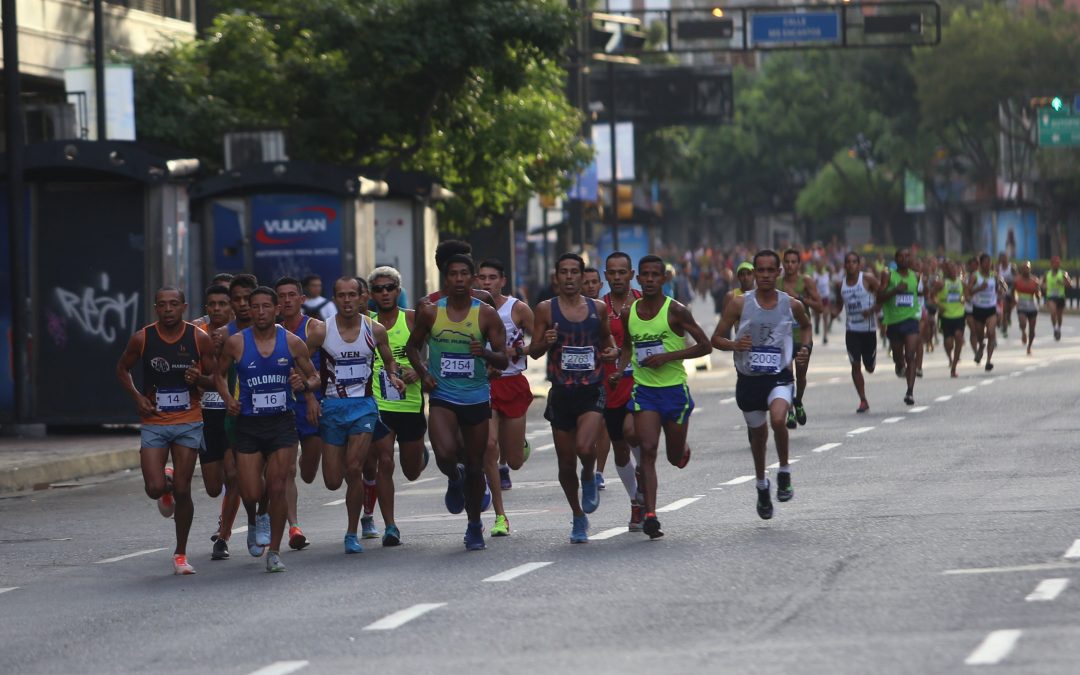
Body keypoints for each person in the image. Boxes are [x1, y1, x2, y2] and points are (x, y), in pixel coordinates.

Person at [406, 254, 508, 551]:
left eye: (465, 274)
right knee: (445, 452)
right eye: (454, 274)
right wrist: (424, 373)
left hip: (476, 396)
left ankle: (474, 525)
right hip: (443, 395)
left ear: (473, 278)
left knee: (477, 466)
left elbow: (503, 358)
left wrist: (485, 354)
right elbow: (413, 347)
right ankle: (453, 476)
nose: (460, 279)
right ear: (446, 279)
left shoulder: (486, 314)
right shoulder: (430, 313)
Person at [216, 286, 321, 573]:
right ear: (249, 310)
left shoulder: (292, 342)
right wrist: (228, 399)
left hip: (281, 423)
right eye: (255, 306)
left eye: (266, 306)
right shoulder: (236, 342)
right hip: (248, 424)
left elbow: (314, 376)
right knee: (250, 491)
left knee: (276, 486)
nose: (260, 312)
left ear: (276, 310)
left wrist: (305, 385)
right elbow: (219, 374)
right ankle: (256, 516)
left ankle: (273, 551)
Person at [116, 287, 216, 575]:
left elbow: (214, 379)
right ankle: (165, 483)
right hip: (155, 421)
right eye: (163, 305)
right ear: (156, 308)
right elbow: (122, 369)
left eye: (174, 304)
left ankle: (180, 553)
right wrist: (137, 397)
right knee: (154, 488)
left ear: (184, 307)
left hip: (188, 419)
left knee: (185, 489)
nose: (168, 309)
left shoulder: (199, 338)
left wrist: (200, 378)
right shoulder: (143, 338)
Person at [610, 255, 711, 539]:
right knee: (648, 449)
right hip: (645, 393)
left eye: (656, 275)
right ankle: (651, 515)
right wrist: (620, 369)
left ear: (664, 279)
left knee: (673, 457)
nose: (651, 279)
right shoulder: (629, 313)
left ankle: (682, 450)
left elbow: (705, 346)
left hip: (674, 391)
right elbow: (628, 347)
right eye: (646, 275)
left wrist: (668, 356)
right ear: (638, 279)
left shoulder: (676, 311)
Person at [302, 277, 405, 554]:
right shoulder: (322, 332)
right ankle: (360, 513)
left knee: (355, 467)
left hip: (363, 406)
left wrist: (394, 376)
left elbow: (388, 358)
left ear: (362, 298)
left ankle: (352, 532)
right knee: (333, 480)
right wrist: (309, 394)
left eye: (352, 295)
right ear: (334, 298)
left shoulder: (375, 329)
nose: (347, 300)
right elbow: (300, 362)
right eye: (341, 295)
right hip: (333, 409)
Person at [711, 250, 812, 520]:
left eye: (771, 271)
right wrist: (734, 344)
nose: (766, 276)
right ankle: (761, 485)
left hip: (778, 374)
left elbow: (806, 326)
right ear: (754, 273)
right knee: (758, 437)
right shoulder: (738, 304)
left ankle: (784, 472)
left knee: (779, 419)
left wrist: (804, 349)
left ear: (779, 272)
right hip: (748, 378)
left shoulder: (791, 304)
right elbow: (715, 338)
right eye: (761, 271)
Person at [528, 253, 619, 543]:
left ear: (582, 277)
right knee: (566, 464)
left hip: (591, 389)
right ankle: (578, 516)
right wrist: (546, 341)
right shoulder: (545, 310)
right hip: (561, 393)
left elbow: (607, 339)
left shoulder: (598, 308)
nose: (569, 277)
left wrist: (612, 352)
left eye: (574, 272)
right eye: (563, 272)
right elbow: (534, 351)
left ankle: (590, 475)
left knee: (584, 446)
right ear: (557, 277)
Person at [368, 266, 428, 546]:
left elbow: (436, 351)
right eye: (378, 289)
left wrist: (420, 370)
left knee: (411, 471)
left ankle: (421, 455)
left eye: (389, 287)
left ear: (398, 290)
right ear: (371, 294)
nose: (384, 293)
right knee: (385, 461)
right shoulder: (366, 322)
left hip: (411, 402)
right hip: (380, 402)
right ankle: (390, 526)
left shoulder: (413, 319)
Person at [477, 258, 535, 537]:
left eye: (492, 277)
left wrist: (517, 352)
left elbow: (541, 344)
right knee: (488, 446)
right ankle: (501, 516)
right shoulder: (472, 309)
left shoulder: (518, 309)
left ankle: (519, 443)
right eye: (482, 277)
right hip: (484, 385)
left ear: (502, 281)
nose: (486, 282)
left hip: (512, 383)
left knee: (513, 460)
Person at [213, 274, 265, 559]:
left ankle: (264, 516)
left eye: (249, 299)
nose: (244, 305)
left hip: (271, 415)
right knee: (236, 476)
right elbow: (217, 374)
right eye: (238, 300)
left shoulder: (273, 331)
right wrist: (227, 398)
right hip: (237, 416)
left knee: (268, 478)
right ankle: (247, 525)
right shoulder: (224, 336)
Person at [274, 276, 324, 551]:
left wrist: (311, 395)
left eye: (292, 295)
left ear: (302, 300)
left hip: (312, 402)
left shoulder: (315, 329)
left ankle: (310, 455)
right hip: (282, 405)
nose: (287, 300)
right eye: (281, 296)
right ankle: (294, 527)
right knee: (288, 470)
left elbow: (322, 368)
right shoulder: (270, 330)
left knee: (308, 472)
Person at [601, 252, 645, 531]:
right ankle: (635, 499)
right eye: (612, 273)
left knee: (634, 433)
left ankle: (644, 484)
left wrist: (625, 353)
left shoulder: (644, 303)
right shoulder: (597, 307)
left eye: (622, 272)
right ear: (606, 276)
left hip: (640, 382)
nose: (617, 278)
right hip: (610, 385)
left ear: (630, 274)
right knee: (619, 450)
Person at [195, 284, 232, 506]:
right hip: (206, 416)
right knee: (212, 487)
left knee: (234, 475)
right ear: (206, 307)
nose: (217, 309)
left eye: (222, 304)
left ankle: (226, 527)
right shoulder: (196, 334)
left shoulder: (240, 334)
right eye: (212, 305)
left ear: (232, 307)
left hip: (232, 415)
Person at [778, 249, 822, 427]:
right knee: (787, 374)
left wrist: (799, 298)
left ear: (799, 264)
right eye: (786, 262)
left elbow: (819, 307)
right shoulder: (777, 283)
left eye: (793, 262)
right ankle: (789, 412)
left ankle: (798, 401)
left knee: (801, 375)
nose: (789, 265)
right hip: (784, 337)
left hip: (803, 335)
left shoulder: (806, 281)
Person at [833, 253, 879, 413]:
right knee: (855, 364)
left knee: (870, 367)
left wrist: (872, 310)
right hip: (852, 330)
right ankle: (863, 399)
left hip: (869, 330)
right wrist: (832, 313)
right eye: (848, 262)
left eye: (854, 262)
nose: (851, 265)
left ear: (859, 265)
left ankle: (871, 362)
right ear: (844, 265)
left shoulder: (868, 279)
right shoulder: (841, 284)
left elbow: (882, 297)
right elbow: (839, 305)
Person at [580, 266, 610, 490]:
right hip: (574, 380)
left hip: (605, 376)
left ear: (601, 285)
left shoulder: (605, 310)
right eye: (586, 282)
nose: (590, 286)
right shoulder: (571, 311)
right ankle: (587, 467)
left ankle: (598, 472)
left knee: (603, 426)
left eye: (594, 282)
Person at [967, 253, 1002, 372]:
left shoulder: (994, 275)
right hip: (978, 309)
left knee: (991, 333)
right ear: (981, 264)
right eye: (985, 262)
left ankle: (988, 361)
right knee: (980, 336)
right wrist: (979, 288)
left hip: (991, 308)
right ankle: (981, 346)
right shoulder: (975, 276)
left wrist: (1002, 288)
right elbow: (968, 292)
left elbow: (1003, 287)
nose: (988, 264)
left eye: (989, 262)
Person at [932, 260, 967, 378]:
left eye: (954, 268)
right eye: (950, 269)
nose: (953, 271)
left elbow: (966, 293)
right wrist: (938, 305)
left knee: (958, 338)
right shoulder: (941, 283)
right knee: (948, 343)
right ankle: (950, 358)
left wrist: (963, 298)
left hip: (959, 315)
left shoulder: (961, 282)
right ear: (945, 271)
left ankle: (954, 367)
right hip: (946, 316)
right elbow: (931, 297)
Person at [1014, 261, 1041, 355]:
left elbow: (1039, 296)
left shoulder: (1035, 281)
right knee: (1022, 323)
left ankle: (1029, 346)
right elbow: (1011, 292)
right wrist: (1014, 300)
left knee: (1032, 330)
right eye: (1025, 268)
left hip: (1032, 306)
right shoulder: (1017, 280)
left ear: (1030, 269)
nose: (1026, 269)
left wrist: (1037, 293)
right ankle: (1023, 332)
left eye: (1028, 268)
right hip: (1021, 305)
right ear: (1022, 269)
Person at [1043, 256, 1070, 341]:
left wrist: (1063, 282)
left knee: (1059, 315)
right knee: (1053, 311)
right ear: (1051, 264)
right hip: (1051, 296)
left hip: (1060, 297)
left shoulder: (1063, 273)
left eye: (1058, 263)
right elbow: (1042, 284)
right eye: (1055, 263)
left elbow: (1069, 284)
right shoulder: (1047, 274)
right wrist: (1044, 286)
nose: (1057, 265)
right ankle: (1055, 328)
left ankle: (1058, 328)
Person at [997, 252, 1017, 339]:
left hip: (1012, 291)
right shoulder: (998, 268)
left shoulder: (1011, 267)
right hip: (1003, 292)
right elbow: (996, 278)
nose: (1004, 260)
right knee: (1004, 311)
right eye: (1002, 258)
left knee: (1012, 305)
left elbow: (1017, 278)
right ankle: (1004, 328)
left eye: (1005, 258)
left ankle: (1009, 316)